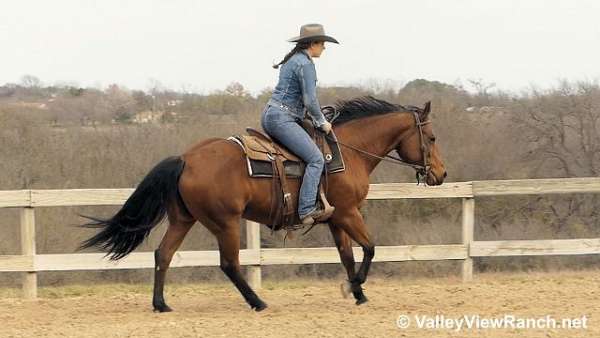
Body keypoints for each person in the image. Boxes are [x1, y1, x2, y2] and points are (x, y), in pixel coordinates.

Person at [260, 23, 338, 225]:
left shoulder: (293, 60)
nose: (324, 48)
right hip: (283, 119)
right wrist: (322, 122)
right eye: (322, 44)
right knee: (316, 159)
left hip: (272, 114)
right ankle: (305, 210)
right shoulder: (305, 64)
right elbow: (310, 101)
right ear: (313, 44)